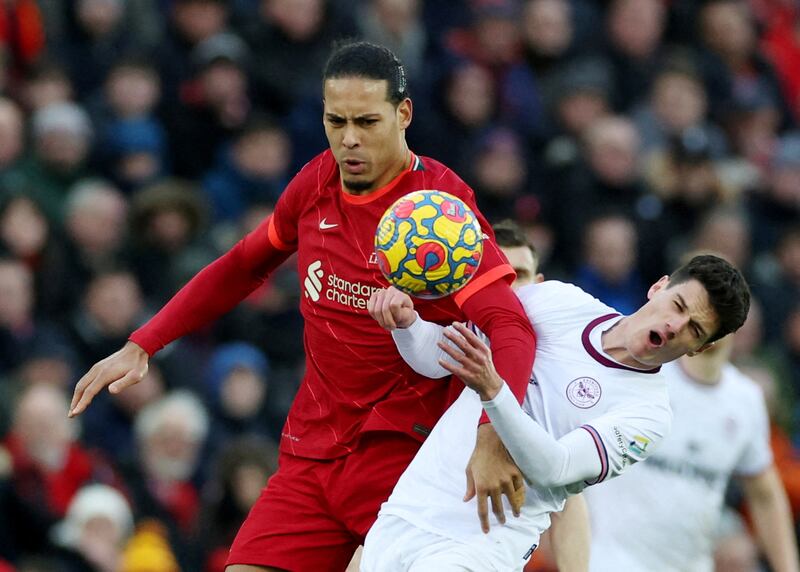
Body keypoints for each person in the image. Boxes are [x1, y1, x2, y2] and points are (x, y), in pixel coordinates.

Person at [68, 41, 536, 572]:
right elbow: (244, 264)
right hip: (313, 452)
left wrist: (496, 435)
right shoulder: (317, 182)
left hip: (403, 457)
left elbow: (511, 325)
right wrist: (143, 341)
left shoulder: (438, 211)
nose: (349, 140)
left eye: (367, 121)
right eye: (335, 121)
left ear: (403, 114)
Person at [361, 254, 751, 571]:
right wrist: (407, 325)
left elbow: (556, 468)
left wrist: (495, 393)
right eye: (678, 305)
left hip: (478, 548)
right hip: (407, 511)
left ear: (699, 349)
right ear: (659, 287)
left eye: (694, 330)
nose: (674, 326)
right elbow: (442, 357)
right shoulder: (559, 301)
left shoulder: (648, 415)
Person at [584, 332, 799, 571]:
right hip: (608, 561)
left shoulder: (746, 399)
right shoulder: (641, 375)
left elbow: (765, 495)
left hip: (692, 564)